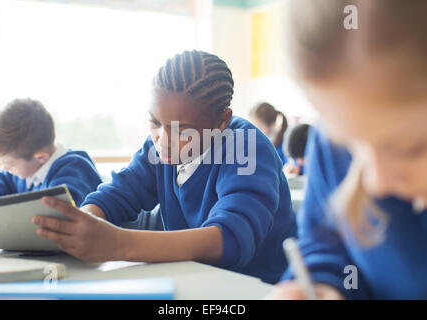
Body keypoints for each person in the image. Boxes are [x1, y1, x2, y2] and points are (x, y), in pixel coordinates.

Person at [31, 50, 297, 284]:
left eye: (182, 131)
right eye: (155, 122)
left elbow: (230, 238)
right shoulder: (158, 147)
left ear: (221, 121)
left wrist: (117, 244)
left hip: (254, 289)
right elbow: (117, 194)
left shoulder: (246, 146)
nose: (162, 141)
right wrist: (80, 224)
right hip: (191, 280)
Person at [269, 0, 427, 299]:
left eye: (411, 148)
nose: (375, 183)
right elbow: (327, 242)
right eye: (348, 144)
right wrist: (322, 286)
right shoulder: (330, 139)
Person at [0, 98, 102, 206]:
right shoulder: (28, 166)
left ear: (40, 157)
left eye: (10, 165)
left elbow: (60, 215)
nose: (5, 169)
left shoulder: (75, 172)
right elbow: (5, 178)